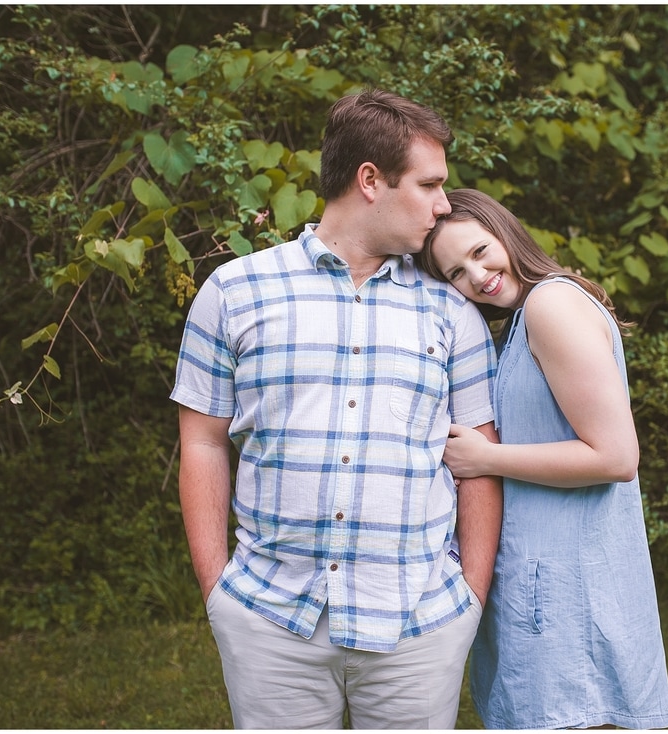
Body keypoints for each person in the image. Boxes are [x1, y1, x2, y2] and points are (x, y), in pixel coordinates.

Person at [170, 90, 502, 729]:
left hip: (419, 623)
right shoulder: (235, 292)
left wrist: (469, 602)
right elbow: (203, 443)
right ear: (370, 180)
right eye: (430, 184)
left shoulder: (452, 312)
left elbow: (477, 461)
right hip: (270, 619)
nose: (443, 204)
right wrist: (219, 596)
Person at [418, 189, 668, 730]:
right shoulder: (523, 319)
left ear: (506, 233)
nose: (477, 275)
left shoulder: (549, 305)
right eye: (456, 273)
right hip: (552, 591)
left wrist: (487, 457)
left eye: (481, 251)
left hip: (570, 598)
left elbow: (614, 456)